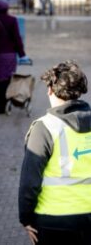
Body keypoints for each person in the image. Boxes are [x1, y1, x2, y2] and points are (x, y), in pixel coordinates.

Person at [19, 61, 91, 245]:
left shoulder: (45, 128)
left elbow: (30, 182)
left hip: (53, 221)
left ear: (51, 90)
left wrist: (26, 218)